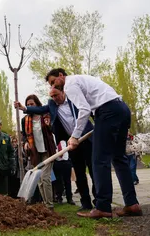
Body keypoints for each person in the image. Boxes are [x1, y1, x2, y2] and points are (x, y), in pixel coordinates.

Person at [45, 68, 142, 218]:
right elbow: (93, 105)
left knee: (99, 160)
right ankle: (132, 204)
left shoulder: (70, 85)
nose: (53, 86)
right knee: (119, 158)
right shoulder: (82, 79)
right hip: (121, 109)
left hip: (107, 111)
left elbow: (83, 109)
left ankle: (103, 206)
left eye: (53, 82)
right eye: (50, 85)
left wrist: (75, 136)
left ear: (61, 76)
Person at [15, 87, 95, 211]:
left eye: (56, 95)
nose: (54, 98)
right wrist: (24, 108)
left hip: (84, 139)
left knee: (93, 171)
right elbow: (26, 132)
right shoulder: (50, 106)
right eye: (51, 96)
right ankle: (85, 203)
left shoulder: (74, 100)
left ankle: (99, 201)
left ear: (63, 92)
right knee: (78, 174)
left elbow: (89, 110)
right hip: (62, 145)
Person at [20, 94, 57, 209]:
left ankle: (49, 205)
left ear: (37, 104)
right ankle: (45, 204)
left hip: (47, 150)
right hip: (35, 152)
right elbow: (24, 135)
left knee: (45, 177)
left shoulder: (46, 115)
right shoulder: (25, 120)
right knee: (39, 179)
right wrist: (25, 142)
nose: (30, 106)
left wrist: (49, 125)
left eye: (32, 104)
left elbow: (53, 130)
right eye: (28, 105)